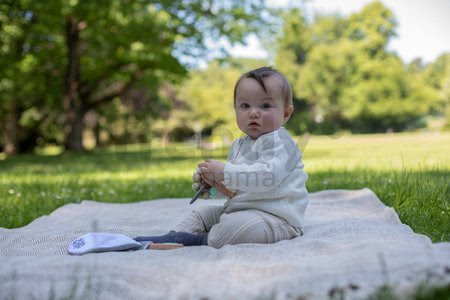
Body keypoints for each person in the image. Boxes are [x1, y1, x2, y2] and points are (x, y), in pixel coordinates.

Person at [135, 66, 308, 249]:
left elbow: (267, 178)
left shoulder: (280, 142)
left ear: (286, 113)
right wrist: (214, 187)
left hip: (277, 218)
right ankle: (172, 238)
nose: (253, 112)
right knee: (201, 215)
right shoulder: (239, 145)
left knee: (238, 227)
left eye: (265, 106)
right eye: (245, 106)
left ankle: (197, 241)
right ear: (236, 110)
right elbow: (237, 190)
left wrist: (224, 172)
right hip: (241, 210)